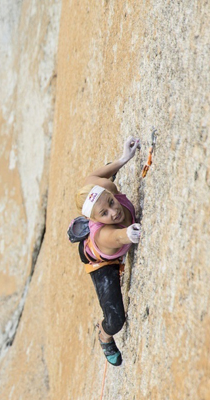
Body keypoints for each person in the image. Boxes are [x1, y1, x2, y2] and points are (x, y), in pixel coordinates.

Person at [73, 136, 142, 366]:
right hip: (100, 261)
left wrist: (123, 158)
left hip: (103, 235)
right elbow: (117, 235)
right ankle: (103, 335)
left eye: (112, 203)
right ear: (95, 219)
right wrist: (128, 234)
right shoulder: (105, 233)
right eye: (104, 213)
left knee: (99, 186)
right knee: (115, 320)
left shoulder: (107, 188)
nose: (114, 213)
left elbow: (93, 177)